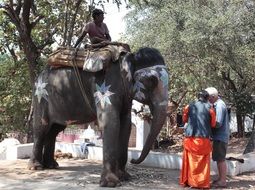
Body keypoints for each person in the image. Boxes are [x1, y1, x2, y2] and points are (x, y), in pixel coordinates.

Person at [179, 90, 216, 189]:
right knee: (203, 162)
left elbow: (184, 119)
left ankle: (188, 181)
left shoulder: (189, 106)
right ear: (207, 98)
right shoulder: (210, 108)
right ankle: (202, 183)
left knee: (190, 160)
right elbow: (213, 124)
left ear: (198, 97)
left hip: (191, 139)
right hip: (204, 140)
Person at [205, 87, 230, 188]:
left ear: (213, 96)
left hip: (220, 136)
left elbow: (218, 123)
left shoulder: (219, 105)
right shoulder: (218, 104)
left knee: (220, 159)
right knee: (219, 158)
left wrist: (207, 123)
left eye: (209, 97)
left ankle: (223, 181)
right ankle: (221, 179)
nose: (208, 99)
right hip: (219, 136)